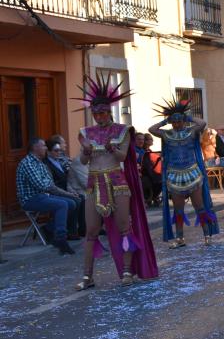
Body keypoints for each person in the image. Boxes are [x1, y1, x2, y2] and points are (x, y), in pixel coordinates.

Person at [73, 72, 158, 290]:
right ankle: (87, 276)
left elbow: (122, 157)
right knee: (91, 230)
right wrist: (85, 151)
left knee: (124, 227)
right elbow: (83, 160)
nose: (99, 116)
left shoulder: (123, 131)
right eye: (96, 113)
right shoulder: (85, 132)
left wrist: (114, 148)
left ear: (109, 111)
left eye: (103, 112)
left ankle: (127, 271)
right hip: (93, 183)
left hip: (117, 182)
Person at [149, 98, 219, 248]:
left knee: (199, 206)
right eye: (174, 121)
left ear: (183, 120)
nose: (176, 124)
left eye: (179, 120)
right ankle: (180, 238)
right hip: (174, 175)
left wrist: (187, 117)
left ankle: (207, 235)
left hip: (192, 173)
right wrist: (165, 121)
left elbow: (202, 123)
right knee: (178, 209)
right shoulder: (166, 134)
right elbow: (151, 130)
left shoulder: (191, 131)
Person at [16, 138, 79, 254]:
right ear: (35, 148)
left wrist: (69, 194)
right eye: (43, 146)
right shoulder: (27, 163)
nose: (46, 148)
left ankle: (48, 228)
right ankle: (61, 239)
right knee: (62, 204)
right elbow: (42, 185)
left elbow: (50, 185)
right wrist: (64, 192)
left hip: (43, 196)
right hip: (30, 199)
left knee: (72, 203)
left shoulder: (39, 163)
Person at [45, 139, 84, 240]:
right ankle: (71, 231)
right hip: (55, 192)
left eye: (59, 150)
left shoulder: (58, 161)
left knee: (81, 197)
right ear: (48, 151)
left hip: (65, 189)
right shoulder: (46, 164)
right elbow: (51, 186)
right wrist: (69, 194)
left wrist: (71, 190)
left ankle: (82, 229)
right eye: (56, 150)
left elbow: (67, 179)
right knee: (75, 201)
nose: (59, 153)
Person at [67, 153, 89, 237]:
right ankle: (82, 229)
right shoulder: (79, 161)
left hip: (85, 190)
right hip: (78, 190)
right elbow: (86, 183)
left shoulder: (93, 160)